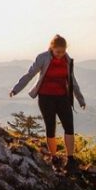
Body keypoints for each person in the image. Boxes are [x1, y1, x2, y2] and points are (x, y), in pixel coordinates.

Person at [9, 34, 86, 170]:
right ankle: (54, 157)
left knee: (69, 126)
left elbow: (72, 81)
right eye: (57, 52)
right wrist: (16, 89)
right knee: (51, 127)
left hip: (63, 97)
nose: (60, 55)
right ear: (52, 48)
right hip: (46, 98)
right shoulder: (42, 58)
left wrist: (80, 99)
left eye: (63, 51)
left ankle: (70, 159)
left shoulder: (68, 60)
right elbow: (30, 74)